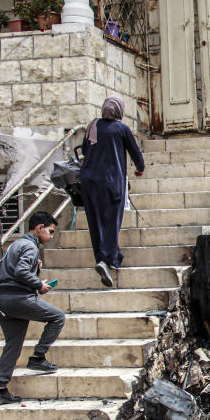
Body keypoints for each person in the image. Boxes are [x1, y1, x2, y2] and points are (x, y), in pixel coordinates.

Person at [0, 210, 64, 405]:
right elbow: (21, 271)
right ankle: (38, 357)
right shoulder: (31, 246)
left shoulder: (16, 245)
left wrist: (35, 277)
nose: (51, 235)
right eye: (50, 231)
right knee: (58, 317)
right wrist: (39, 285)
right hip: (18, 299)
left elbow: (14, 271)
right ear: (39, 228)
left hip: (2, 301)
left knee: (13, 344)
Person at [79, 95, 145, 288]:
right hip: (111, 181)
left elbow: (84, 150)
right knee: (111, 220)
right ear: (120, 111)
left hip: (89, 181)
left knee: (95, 220)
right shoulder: (121, 128)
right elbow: (135, 153)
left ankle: (110, 257)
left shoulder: (92, 125)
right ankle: (106, 259)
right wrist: (140, 168)